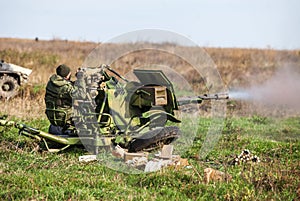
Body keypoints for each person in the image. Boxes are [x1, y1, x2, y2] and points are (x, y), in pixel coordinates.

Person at [44, 64, 86, 135]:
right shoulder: (66, 87)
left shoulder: (50, 83)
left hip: (53, 115)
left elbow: (65, 86)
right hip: (64, 117)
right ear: (67, 76)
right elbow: (82, 95)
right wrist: (80, 78)